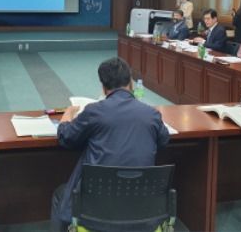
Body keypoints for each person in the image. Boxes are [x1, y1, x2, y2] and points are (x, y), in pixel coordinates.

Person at [50, 57, 170, 232]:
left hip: (95, 212)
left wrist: (67, 115)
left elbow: (66, 137)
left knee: (59, 195)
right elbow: (164, 140)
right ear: (131, 83)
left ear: (104, 88)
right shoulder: (151, 114)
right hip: (142, 210)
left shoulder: (94, 111)